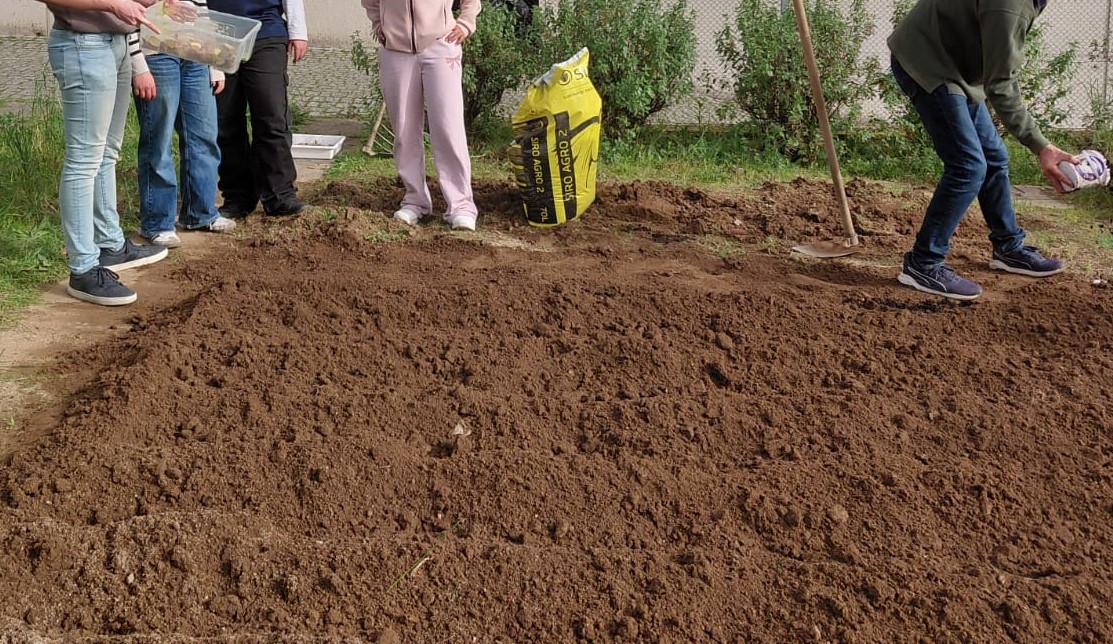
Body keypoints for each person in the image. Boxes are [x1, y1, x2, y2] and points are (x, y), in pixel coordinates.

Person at [888, 0, 1078, 301]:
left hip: (954, 63)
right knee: (968, 165)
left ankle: (1008, 247)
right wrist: (1042, 146)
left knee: (994, 158)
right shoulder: (1010, 3)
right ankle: (923, 263)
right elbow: (1000, 84)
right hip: (927, 59)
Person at [37, 0, 170, 306]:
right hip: (83, 46)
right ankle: (83, 269)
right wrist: (113, 4)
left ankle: (110, 245)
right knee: (83, 161)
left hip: (119, 43)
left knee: (107, 153)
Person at [363, 0, 481, 231]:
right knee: (404, 130)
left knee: (448, 128)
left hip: (441, 45)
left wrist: (466, 23)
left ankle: (461, 205)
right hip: (395, 51)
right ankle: (415, 201)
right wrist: (379, 24)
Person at [130, 0, 237, 248]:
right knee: (158, 139)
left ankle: (201, 213)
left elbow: (200, 7)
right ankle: (157, 223)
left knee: (204, 136)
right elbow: (128, 13)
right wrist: (138, 66)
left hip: (194, 54)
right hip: (155, 52)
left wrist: (214, 62)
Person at [208, 0, 310, 218]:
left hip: (265, 31)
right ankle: (238, 197)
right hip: (216, 35)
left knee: (272, 116)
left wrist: (298, 32)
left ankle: (280, 195)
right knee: (225, 122)